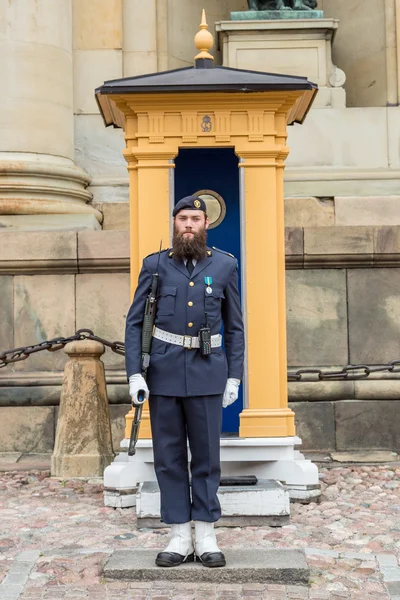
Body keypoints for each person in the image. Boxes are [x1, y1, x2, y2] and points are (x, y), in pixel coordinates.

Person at [125, 195, 245, 568]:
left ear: (206, 224)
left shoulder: (225, 266)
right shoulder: (156, 266)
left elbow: (236, 328)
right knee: (169, 457)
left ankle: (206, 531)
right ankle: (179, 532)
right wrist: (134, 373)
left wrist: (234, 377)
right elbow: (134, 323)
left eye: (195, 218)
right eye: (183, 218)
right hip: (163, 374)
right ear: (174, 223)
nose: (189, 224)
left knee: (207, 457)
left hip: (208, 372)